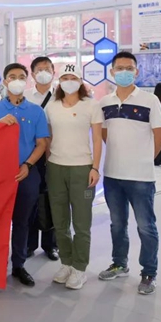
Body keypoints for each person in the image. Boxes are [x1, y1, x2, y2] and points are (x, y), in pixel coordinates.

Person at [99, 52, 161, 296]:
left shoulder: (150, 100)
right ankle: (119, 263)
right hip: (113, 175)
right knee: (117, 224)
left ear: (136, 72)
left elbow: (160, 135)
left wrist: (144, 158)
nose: (124, 72)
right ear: (112, 72)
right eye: (120, 68)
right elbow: (104, 134)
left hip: (141, 177)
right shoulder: (104, 102)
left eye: (129, 68)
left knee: (146, 226)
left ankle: (149, 273)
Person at [0, 63, 49, 287]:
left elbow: (41, 143)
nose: (16, 81)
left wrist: (28, 165)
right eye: (12, 77)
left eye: (21, 77)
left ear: (26, 81)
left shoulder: (36, 111)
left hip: (26, 172)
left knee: (22, 221)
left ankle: (19, 265)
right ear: (4, 81)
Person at [45, 64, 103, 290]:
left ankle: (80, 267)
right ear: (59, 81)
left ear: (80, 81)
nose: (69, 81)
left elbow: (97, 139)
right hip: (56, 167)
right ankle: (66, 263)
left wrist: (95, 167)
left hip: (81, 168)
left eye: (73, 77)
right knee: (60, 222)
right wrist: (48, 161)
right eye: (65, 78)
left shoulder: (91, 105)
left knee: (81, 222)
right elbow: (48, 137)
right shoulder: (52, 106)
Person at [24, 56, 59, 261]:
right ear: (32, 73)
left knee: (51, 199)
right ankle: (29, 244)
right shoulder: (25, 95)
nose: (43, 72)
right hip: (31, 154)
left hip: (55, 154)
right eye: (39, 69)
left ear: (54, 72)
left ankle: (51, 245)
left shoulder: (61, 96)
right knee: (30, 199)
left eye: (47, 69)